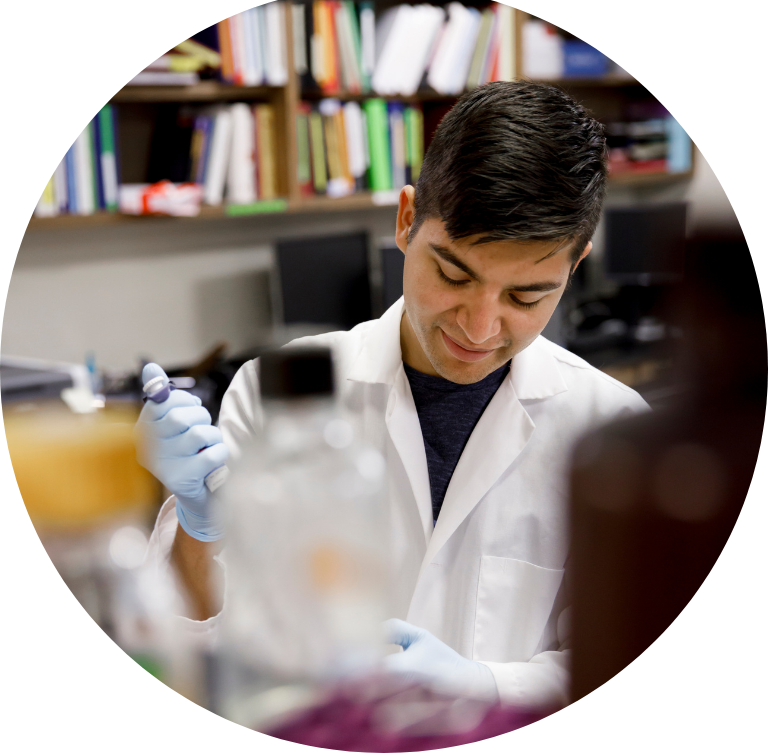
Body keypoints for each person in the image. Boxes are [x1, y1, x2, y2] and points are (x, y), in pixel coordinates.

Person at [136, 81, 649, 708]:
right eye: (453, 274)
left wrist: (489, 687)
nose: (478, 327)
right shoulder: (279, 392)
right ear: (407, 220)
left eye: (526, 296)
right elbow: (195, 649)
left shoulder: (613, 431)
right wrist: (199, 530)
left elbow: (633, 666)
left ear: (575, 265)